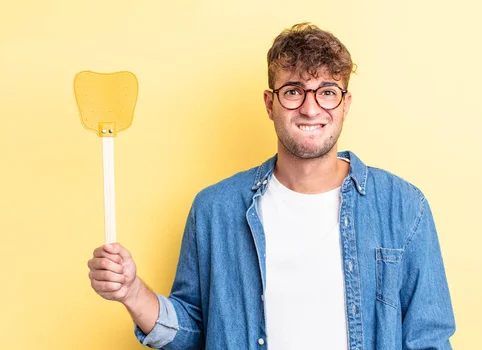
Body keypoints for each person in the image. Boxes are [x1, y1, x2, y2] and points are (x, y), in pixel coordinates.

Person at [88, 22, 456, 349]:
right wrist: (132, 292)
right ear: (270, 103)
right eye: (293, 91)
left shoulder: (403, 207)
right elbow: (193, 332)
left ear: (345, 104)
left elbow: (429, 340)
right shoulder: (215, 210)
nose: (311, 109)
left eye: (327, 91)